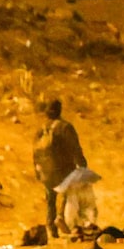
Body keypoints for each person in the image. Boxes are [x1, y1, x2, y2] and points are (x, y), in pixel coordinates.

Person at [32, 97, 88, 233]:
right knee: (68, 193)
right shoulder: (65, 127)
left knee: (50, 199)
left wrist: (37, 170)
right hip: (63, 169)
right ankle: (60, 217)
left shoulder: (41, 129)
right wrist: (82, 163)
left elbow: (35, 150)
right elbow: (75, 147)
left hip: (46, 170)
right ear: (59, 110)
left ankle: (50, 226)